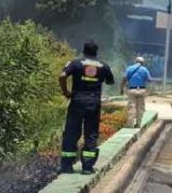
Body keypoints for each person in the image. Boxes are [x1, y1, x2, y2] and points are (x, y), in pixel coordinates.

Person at [59, 40, 115, 175]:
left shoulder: (75, 63)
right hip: (93, 104)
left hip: (77, 102)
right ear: (96, 52)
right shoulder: (104, 66)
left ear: (83, 51)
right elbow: (110, 81)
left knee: (71, 133)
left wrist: (66, 92)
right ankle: (87, 167)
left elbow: (62, 76)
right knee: (91, 135)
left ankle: (67, 167)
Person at [121, 56, 152, 128]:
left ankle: (130, 124)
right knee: (140, 108)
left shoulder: (129, 68)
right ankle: (138, 124)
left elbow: (124, 78)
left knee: (132, 107)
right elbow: (149, 79)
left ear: (135, 61)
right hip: (141, 90)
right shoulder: (144, 69)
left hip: (132, 90)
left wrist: (121, 88)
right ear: (142, 63)